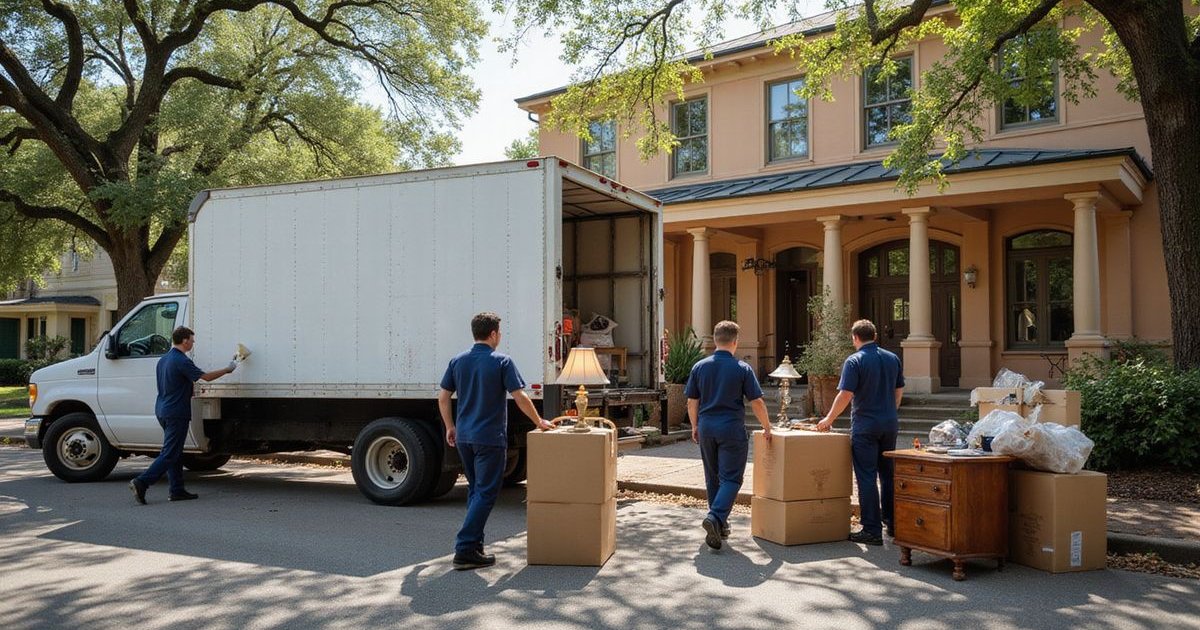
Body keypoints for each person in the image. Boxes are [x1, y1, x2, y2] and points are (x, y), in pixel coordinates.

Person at [439, 312, 554, 570]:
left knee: (475, 490)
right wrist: (539, 422)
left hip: (464, 438)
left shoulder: (458, 361)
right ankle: (465, 548)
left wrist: (450, 426)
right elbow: (520, 397)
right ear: (493, 334)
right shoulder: (502, 361)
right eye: (499, 332)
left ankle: (475, 547)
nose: (500, 336)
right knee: (487, 493)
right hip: (489, 438)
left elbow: (443, 397)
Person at [686, 320, 773, 550]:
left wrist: (695, 426)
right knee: (732, 478)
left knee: (712, 478)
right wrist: (767, 426)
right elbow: (757, 402)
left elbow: (691, 402)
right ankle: (715, 517)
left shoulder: (699, 367)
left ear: (715, 341)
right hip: (731, 429)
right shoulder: (742, 368)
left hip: (706, 427)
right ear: (735, 342)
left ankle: (720, 524)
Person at [816, 319, 904, 546]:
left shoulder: (854, 361)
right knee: (888, 474)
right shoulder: (892, 358)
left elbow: (845, 394)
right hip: (889, 424)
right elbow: (898, 389)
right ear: (874, 336)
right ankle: (893, 523)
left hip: (866, 426)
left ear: (855, 338)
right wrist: (890, 412)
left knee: (866, 475)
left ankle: (872, 529)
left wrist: (829, 419)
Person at [130, 326, 237, 504]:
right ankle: (141, 482)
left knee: (175, 452)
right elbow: (206, 377)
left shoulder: (163, 360)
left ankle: (177, 490)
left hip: (162, 409)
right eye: (192, 341)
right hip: (176, 412)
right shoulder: (181, 361)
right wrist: (228, 369)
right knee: (170, 453)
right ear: (185, 340)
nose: (193, 344)